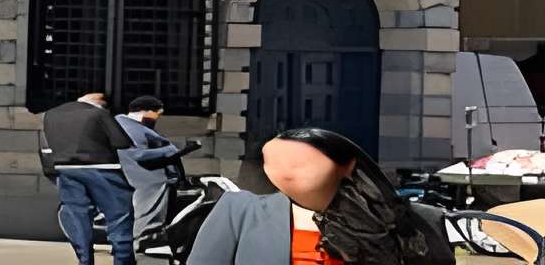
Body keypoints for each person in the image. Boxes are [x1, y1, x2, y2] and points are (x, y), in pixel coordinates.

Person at [186, 127, 450, 265]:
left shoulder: (407, 221)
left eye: (300, 163)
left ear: (346, 166)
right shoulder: (239, 211)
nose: (286, 173)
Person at [44, 88, 139, 265]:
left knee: (78, 219)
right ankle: (123, 261)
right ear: (100, 101)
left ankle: (84, 260)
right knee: (119, 216)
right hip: (102, 168)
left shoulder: (51, 114)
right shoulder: (98, 113)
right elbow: (122, 142)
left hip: (66, 170)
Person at [119, 96, 193, 247]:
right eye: (157, 114)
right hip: (148, 181)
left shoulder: (132, 126)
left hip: (149, 179)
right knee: (146, 219)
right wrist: (170, 150)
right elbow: (136, 154)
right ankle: (142, 242)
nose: (157, 118)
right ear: (146, 111)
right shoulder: (129, 127)